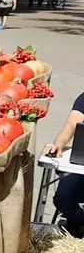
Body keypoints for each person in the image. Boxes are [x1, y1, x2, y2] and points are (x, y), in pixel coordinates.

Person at [43, 91, 84, 238]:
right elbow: (70, 126)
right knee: (63, 197)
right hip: (81, 166)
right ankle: (78, 224)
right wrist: (58, 145)